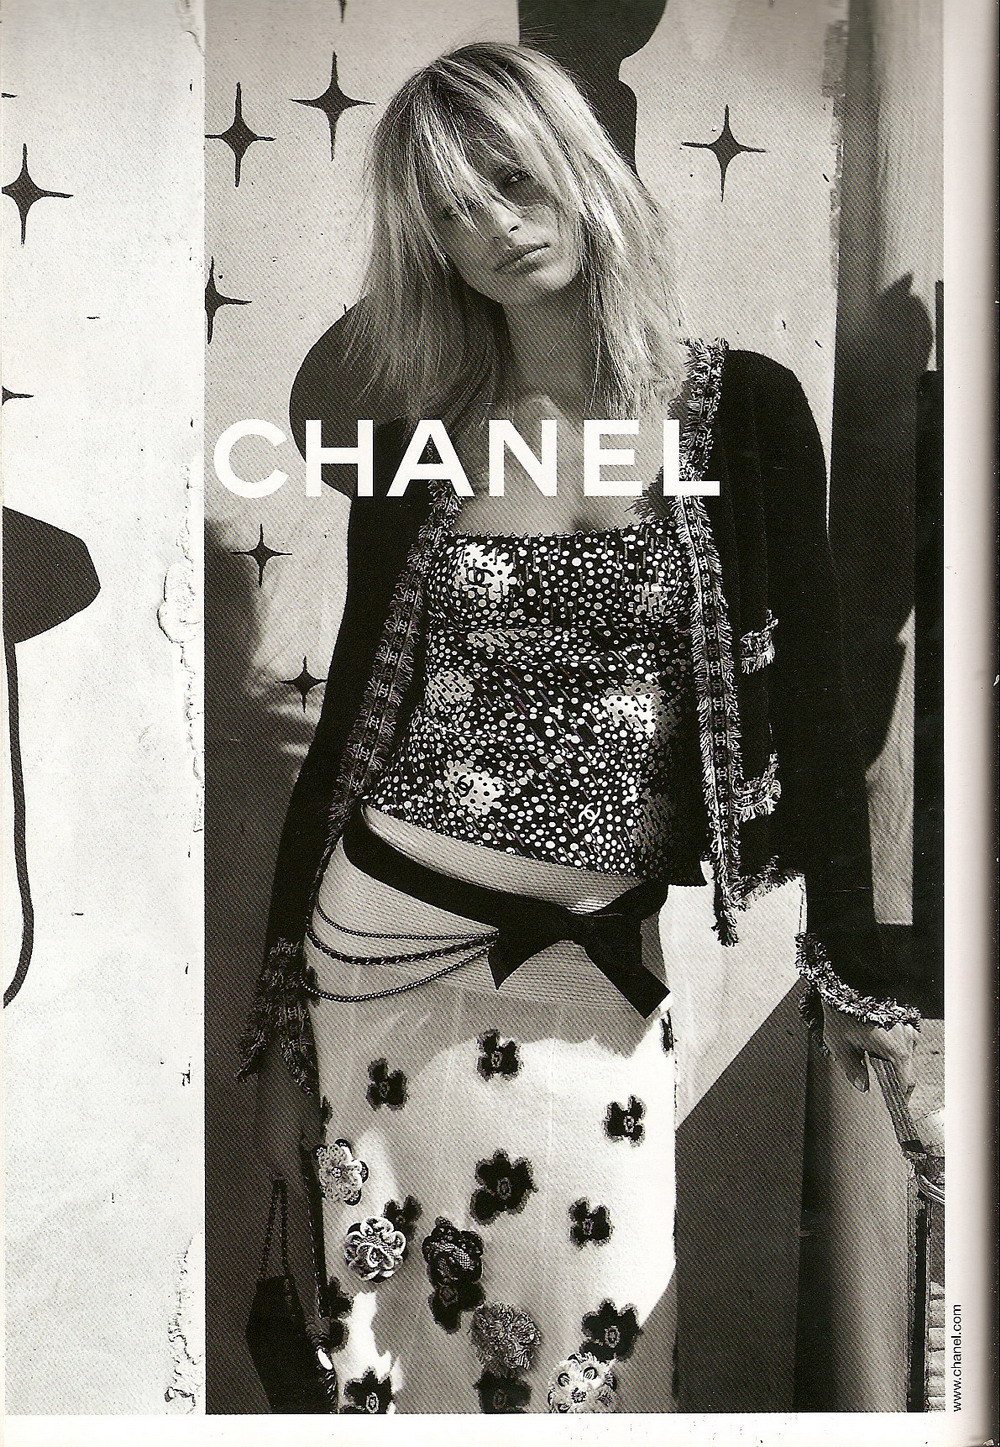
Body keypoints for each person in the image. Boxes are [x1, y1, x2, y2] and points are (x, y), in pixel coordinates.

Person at [239, 40, 919, 1415]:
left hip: (593, 969)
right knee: (399, 1359)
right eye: (450, 210)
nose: (494, 226)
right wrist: (280, 1040)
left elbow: (819, 699)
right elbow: (359, 722)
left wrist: (857, 964)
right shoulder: (425, 433)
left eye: (511, 178)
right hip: (381, 952)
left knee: (598, 1366)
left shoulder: (742, 407)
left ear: (578, 166)